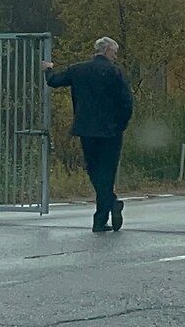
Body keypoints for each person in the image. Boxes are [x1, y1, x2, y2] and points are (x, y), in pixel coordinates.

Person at [42, 37, 134, 233]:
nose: (115, 57)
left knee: (93, 170)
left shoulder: (78, 70)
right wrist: (120, 125)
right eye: (114, 53)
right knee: (107, 173)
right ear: (107, 51)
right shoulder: (114, 72)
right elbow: (127, 103)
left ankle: (105, 212)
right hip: (111, 132)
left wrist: (48, 69)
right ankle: (104, 213)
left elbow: (54, 81)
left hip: (86, 130)